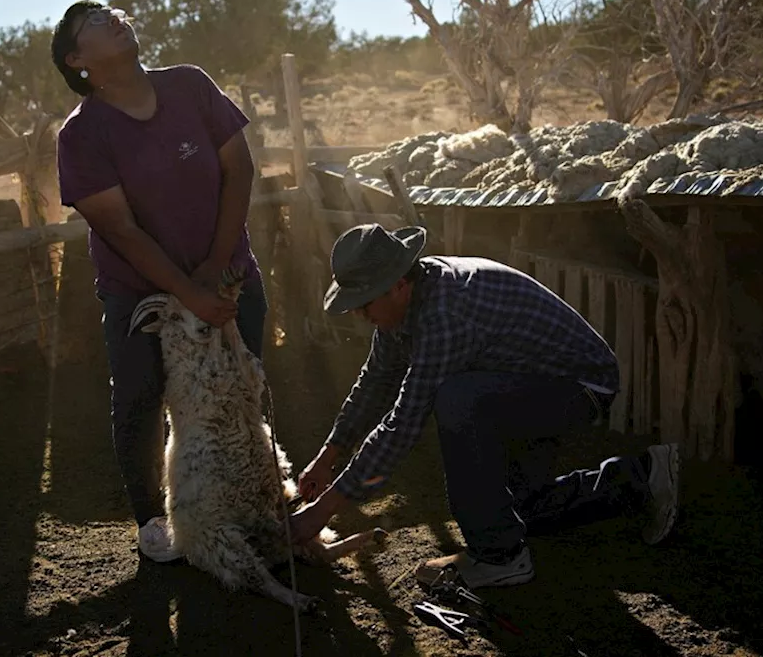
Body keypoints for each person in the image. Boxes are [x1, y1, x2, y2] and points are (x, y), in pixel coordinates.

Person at [287, 223, 680, 589]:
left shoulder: (446, 313)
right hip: (524, 380)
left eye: (364, 303)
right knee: (523, 506)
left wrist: (323, 511)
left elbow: (403, 425)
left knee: (457, 400)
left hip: (579, 388)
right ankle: (644, 475)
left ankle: (499, 557)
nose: (360, 315)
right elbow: (376, 381)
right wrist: (328, 455)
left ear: (398, 284)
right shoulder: (404, 307)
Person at [50, 0, 266, 563]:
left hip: (228, 277)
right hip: (138, 290)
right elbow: (119, 228)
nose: (114, 16)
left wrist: (217, 268)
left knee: (240, 388)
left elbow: (238, 168)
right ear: (77, 60)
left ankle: (247, 504)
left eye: (112, 11)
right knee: (142, 397)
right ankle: (152, 518)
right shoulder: (82, 136)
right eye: (93, 21)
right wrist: (186, 293)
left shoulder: (190, 86)